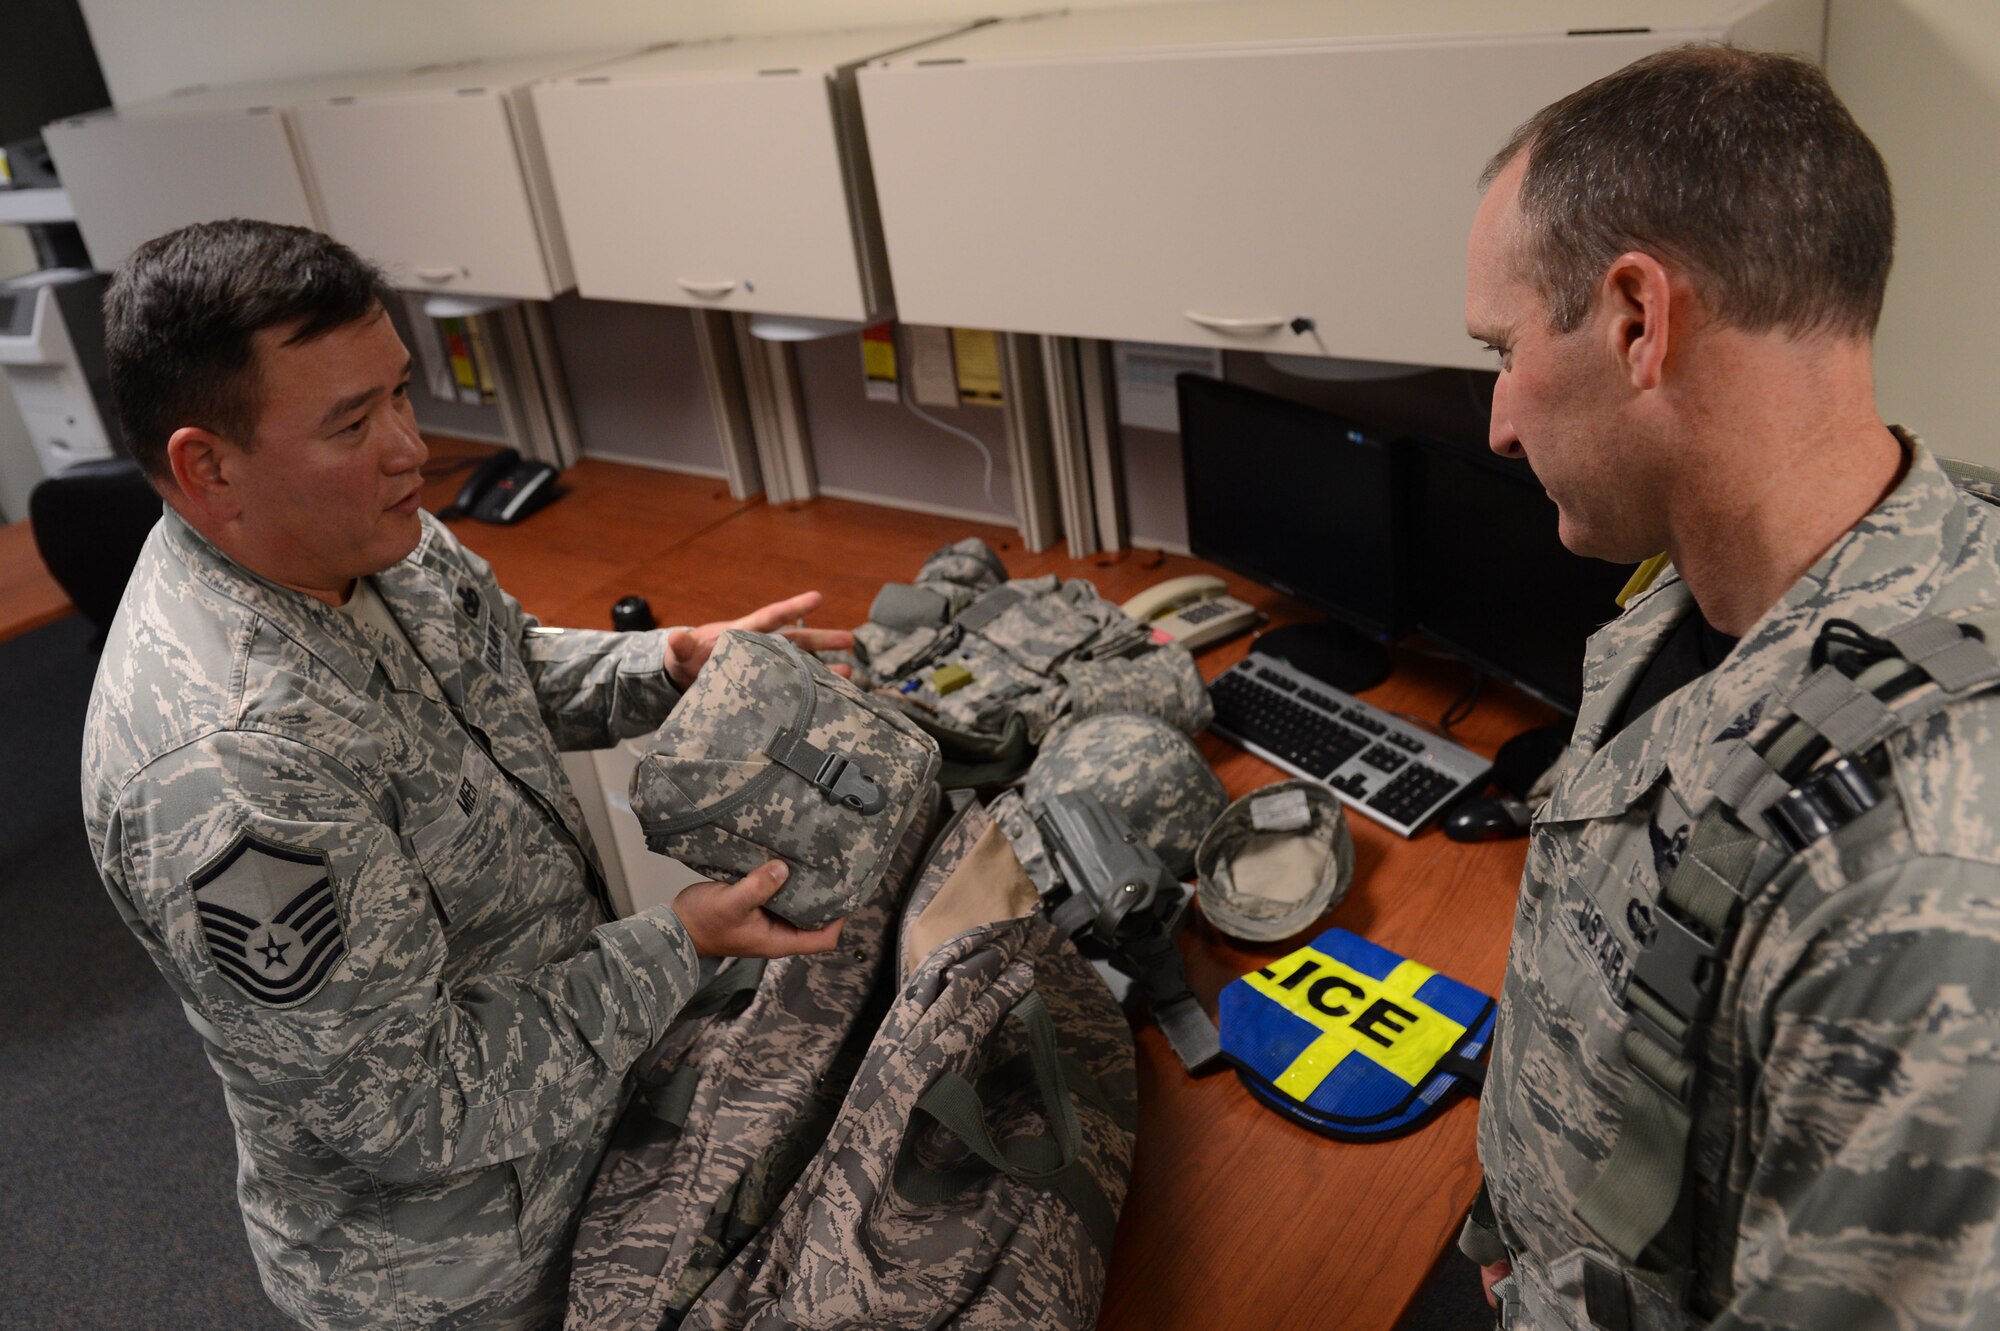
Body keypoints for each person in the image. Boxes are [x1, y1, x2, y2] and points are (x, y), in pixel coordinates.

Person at [80, 219, 854, 1331]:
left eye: (399, 391)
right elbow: (406, 1103)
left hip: (587, 1126)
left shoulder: (364, 530)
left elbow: (500, 667)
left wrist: (664, 661)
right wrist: (677, 940)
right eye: (353, 421)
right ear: (209, 466)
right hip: (462, 1270)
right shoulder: (229, 771)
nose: (410, 447)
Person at [1459, 44, 2000, 1329]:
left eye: (1500, 347)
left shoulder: (1912, 888)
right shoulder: (1698, 586)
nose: (1494, 420)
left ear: (1639, 320)